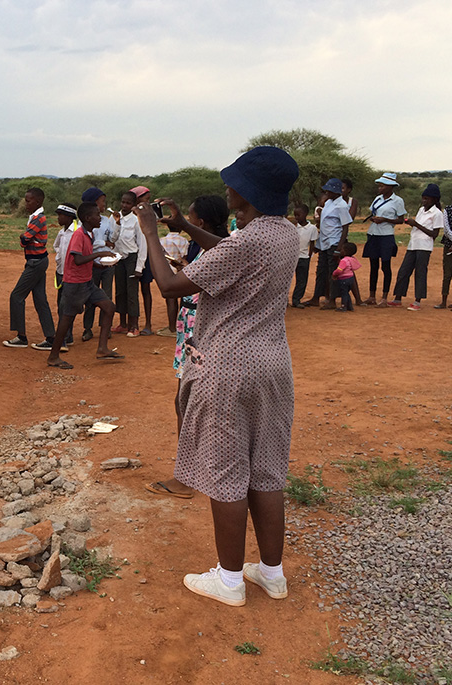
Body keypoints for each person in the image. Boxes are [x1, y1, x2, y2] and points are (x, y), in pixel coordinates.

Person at [134, 146, 300, 607]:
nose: (226, 189)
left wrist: (149, 232)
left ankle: (229, 581)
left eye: (232, 183)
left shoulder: (248, 241)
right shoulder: (284, 233)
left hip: (226, 369)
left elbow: (169, 285)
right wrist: (185, 228)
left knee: (227, 474)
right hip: (272, 365)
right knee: (266, 471)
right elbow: (231, 256)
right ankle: (271, 574)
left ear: (243, 191)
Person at [145, 194, 230, 501]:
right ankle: (206, 468)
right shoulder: (226, 245)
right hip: (204, 329)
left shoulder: (213, 252)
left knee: (185, 402)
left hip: (196, 330)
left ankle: (186, 478)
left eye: (191, 219)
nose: (188, 224)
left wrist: (150, 233)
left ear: (200, 222)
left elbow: (168, 287)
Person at [45, 202, 123, 369]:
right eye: (97, 215)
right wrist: (101, 254)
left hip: (86, 282)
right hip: (75, 284)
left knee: (109, 307)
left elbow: (84, 260)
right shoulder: (79, 235)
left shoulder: (89, 234)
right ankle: (53, 357)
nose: (100, 218)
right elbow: (78, 260)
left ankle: (102, 349)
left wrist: (101, 265)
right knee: (66, 320)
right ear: (87, 218)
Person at [3, 187, 56, 350]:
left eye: (28, 200)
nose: (25, 203)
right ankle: (50, 338)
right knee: (40, 299)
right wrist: (27, 239)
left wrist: (24, 237)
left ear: (38, 201)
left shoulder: (37, 219)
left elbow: (24, 241)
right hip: (39, 260)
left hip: (35, 262)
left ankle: (21, 337)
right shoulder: (36, 217)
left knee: (16, 296)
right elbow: (27, 240)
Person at [392, 184, 444, 311]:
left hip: (424, 246)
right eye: (423, 198)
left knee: (420, 273)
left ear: (434, 200)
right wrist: (411, 224)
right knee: (404, 271)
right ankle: (398, 298)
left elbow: (434, 234)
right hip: (413, 244)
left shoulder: (437, 213)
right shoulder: (421, 210)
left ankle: (417, 301)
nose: (424, 201)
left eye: (427, 199)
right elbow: (418, 226)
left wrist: (416, 224)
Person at [306, 178, 352, 310]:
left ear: (336, 191)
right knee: (321, 271)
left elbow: (345, 228)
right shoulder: (329, 203)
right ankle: (316, 297)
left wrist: (339, 248)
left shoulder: (341, 206)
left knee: (333, 272)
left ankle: (332, 299)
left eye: (329, 190)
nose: (327, 192)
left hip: (334, 242)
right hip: (324, 242)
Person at [362, 173, 406, 306]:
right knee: (373, 266)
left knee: (385, 266)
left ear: (390, 187)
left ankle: (384, 298)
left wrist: (385, 220)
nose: (379, 188)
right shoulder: (377, 199)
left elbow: (400, 219)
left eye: (382, 186)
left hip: (386, 235)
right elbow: (373, 212)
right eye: (379, 186)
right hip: (373, 234)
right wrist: (374, 219)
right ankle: (372, 296)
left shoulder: (397, 201)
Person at [81, 187, 116, 341]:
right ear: (95, 202)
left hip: (107, 263)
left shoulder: (107, 221)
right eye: (102, 201)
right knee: (90, 296)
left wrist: (117, 224)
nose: (104, 204)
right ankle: (87, 329)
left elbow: (113, 239)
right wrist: (104, 243)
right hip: (93, 263)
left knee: (106, 296)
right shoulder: (85, 223)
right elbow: (90, 244)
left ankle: (105, 327)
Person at [112, 191, 148, 337]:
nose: (124, 205)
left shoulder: (136, 220)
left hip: (132, 259)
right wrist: (117, 223)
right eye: (123, 202)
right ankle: (122, 323)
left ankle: (134, 325)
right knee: (120, 291)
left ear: (133, 205)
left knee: (131, 292)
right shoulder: (114, 218)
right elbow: (113, 239)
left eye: (128, 203)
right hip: (118, 258)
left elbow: (142, 244)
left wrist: (140, 266)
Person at [131, 185, 157, 335]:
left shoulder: (147, 214)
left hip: (146, 255)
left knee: (146, 289)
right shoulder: (130, 216)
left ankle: (148, 323)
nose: (147, 202)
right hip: (133, 256)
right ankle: (131, 324)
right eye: (145, 199)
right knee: (131, 291)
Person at [52, 204, 78, 346]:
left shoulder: (77, 231)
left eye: (60, 215)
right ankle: (67, 335)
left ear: (69, 217)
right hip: (61, 272)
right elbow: (56, 246)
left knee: (66, 306)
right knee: (60, 305)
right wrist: (59, 258)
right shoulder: (62, 232)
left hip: (71, 275)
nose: (58, 218)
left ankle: (65, 337)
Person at [157, 222, 189, 337]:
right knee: (183, 299)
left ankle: (171, 327)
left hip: (167, 271)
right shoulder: (184, 241)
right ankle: (181, 325)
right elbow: (184, 257)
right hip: (181, 270)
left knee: (170, 299)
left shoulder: (162, 240)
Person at [291, 204, 317, 308]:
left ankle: (296, 300)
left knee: (302, 280)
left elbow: (312, 243)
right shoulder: (293, 227)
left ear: (305, 214)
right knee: (287, 279)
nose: (296, 218)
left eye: (298, 215)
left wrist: (309, 256)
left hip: (304, 257)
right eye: (295, 215)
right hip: (292, 257)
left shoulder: (312, 228)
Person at [332, 242, 361, 312]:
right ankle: (349, 306)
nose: (340, 251)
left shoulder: (344, 261)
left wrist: (334, 274)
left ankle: (343, 306)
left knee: (344, 293)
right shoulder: (351, 259)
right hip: (350, 278)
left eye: (342, 249)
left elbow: (339, 270)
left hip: (344, 279)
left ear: (345, 252)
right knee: (346, 293)